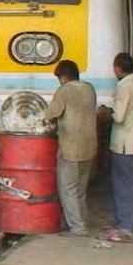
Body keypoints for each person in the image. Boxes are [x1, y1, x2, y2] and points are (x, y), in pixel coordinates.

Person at [98, 52, 133, 235]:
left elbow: (119, 117)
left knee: (124, 183)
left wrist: (106, 113)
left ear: (118, 68)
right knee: (126, 181)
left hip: (121, 142)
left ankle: (125, 225)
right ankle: (120, 221)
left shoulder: (123, 87)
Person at [43, 59, 97, 235]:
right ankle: (80, 221)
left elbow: (51, 114)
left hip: (71, 147)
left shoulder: (64, 91)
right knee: (80, 189)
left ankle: (77, 227)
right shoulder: (89, 88)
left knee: (68, 189)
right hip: (89, 146)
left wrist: (46, 119)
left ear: (64, 78)